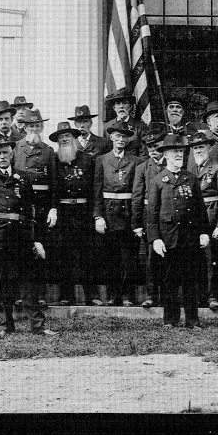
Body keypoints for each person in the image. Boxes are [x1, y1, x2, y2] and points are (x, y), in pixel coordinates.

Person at [0, 134, 58, 336]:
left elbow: (31, 212)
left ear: (12, 155)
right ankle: (5, 326)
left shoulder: (24, 177)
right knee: (2, 284)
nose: (2, 156)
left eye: (6, 153)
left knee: (28, 283)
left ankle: (38, 326)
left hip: (21, 237)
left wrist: (36, 239)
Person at [145, 134, 210, 329]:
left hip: (189, 237)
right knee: (169, 281)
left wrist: (204, 232)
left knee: (191, 280)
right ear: (165, 154)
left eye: (180, 151)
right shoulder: (157, 180)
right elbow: (152, 213)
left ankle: (192, 319)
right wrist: (155, 238)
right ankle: (170, 320)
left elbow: (200, 209)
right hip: (168, 237)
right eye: (174, 152)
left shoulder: (191, 178)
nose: (178, 155)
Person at [93, 120, 143, 306]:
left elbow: (138, 191)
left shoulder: (136, 161)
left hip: (129, 212)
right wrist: (98, 216)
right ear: (111, 137)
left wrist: (137, 218)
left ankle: (128, 295)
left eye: (124, 136)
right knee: (110, 257)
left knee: (129, 257)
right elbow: (97, 190)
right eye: (118, 136)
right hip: (109, 213)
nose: (121, 139)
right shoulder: (101, 160)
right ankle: (113, 295)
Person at [47, 121, 97, 306]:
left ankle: (91, 296)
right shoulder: (53, 159)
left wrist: (95, 214)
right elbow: (52, 185)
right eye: (61, 138)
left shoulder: (87, 158)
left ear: (74, 138)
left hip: (83, 211)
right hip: (64, 212)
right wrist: (53, 208)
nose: (65, 140)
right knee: (64, 255)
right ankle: (66, 295)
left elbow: (94, 188)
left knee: (87, 254)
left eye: (67, 136)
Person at [13, 108, 56, 306]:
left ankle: (39, 295)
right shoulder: (15, 148)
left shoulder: (48, 151)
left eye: (38, 126)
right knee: (21, 250)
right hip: (22, 205)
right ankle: (21, 296)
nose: (34, 129)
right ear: (24, 127)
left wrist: (53, 207)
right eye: (31, 126)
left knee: (41, 250)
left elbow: (55, 183)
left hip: (42, 206)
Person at [185, 131, 218, 311]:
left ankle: (213, 296)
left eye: (201, 147)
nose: (198, 151)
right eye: (195, 148)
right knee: (195, 260)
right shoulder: (189, 172)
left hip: (212, 219)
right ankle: (197, 296)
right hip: (194, 220)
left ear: (209, 148)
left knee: (212, 260)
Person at [130, 123, 170, 308]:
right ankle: (151, 295)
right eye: (149, 147)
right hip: (149, 216)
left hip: (170, 217)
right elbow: (137, 196)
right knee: (151, 258)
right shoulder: (142, 167)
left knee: (171, 256)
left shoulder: (173, 166)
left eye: (156, 147)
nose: (153, 151)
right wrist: (136, 223)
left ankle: (169, 296)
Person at [104, 87, 149, 156]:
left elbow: (144, 153)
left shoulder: (140, 126)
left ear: (130, 106)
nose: (121, 106)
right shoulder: (108, 126)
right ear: (114, 107)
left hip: (135, 164)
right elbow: (106, 150)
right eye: (118, 103)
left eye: (124, 103)